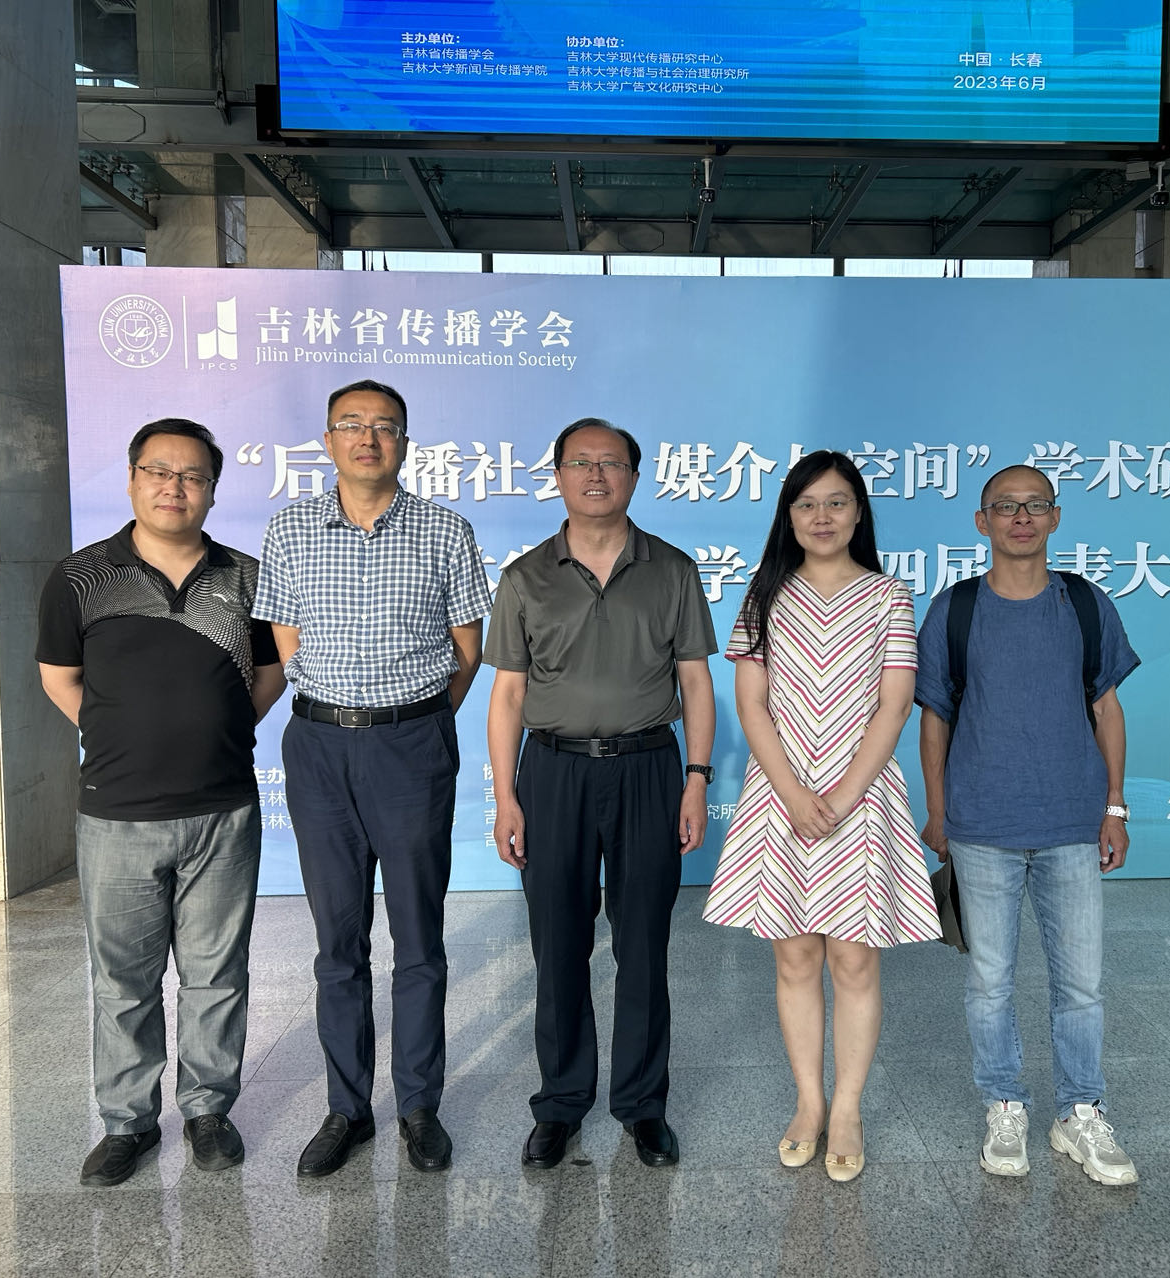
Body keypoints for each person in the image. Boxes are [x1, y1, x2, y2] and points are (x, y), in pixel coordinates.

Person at [37, 418, 287, 1187]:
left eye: (192, 476)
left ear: (212, 489)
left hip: (223, 811)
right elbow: (60, 677)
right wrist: (119, 737)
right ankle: (128, 1124)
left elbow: (271, 672)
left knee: (218, 973)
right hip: (117, 816)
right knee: (123, 981)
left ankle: (208, 1111)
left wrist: (220, 730)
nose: (174, 487)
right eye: (158, 471)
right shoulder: (81, 577)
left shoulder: (245, 577)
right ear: (131, 479)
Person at [253, 379, 492, 1177]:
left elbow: (467, 650)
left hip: (410, 746)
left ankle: (419, 1106)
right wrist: (342, 709)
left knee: (419, 939)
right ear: (327, 441)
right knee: (338, 943)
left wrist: (414, 722)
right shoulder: (290, 529)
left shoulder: (444, 529)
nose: (367, 438)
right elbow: (286, 639)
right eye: (351, 425)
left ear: (404, 443)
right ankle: (347, 1110)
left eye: (384, 426)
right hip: (319, 748)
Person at [484, 417, 717, 1170]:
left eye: (610, 463)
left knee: (644, 944)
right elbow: (508, 695)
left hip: (649, 768)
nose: (595, 475)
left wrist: (696, 779)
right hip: (552, 773)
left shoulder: (672, 569)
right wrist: (506, 797)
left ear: (634, 477)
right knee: (558, 944)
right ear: (557, 476)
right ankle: (560, 1104)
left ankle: (643, 1107)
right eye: (580, 462)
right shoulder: (525, 577)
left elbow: (695, 682)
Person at [702, 452, 940, 1183]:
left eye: (837, 503)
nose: (822, 517)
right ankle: (808, 1102)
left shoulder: (889, 596)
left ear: (859, 513)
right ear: (789, 516)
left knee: (854, 959)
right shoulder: (764, 595)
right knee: (795, 956)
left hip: (860, 800)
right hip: (781, 798)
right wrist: (795, 793)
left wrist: (839, 797)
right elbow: (752, 704)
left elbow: (894, 706)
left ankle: (849, 1108)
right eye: (807, 504)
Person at [915, 464, 1141, 1187]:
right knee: (990, 983)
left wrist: (1114, 806)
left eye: (1035, 505)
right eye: (1006, 507)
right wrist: (939, 811)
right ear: (981, 522)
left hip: (1073, 822)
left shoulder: (1085, 603)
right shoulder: (955, 610)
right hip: (982, 825)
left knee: (1082, 986)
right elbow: (934, 718)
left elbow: (1106, 708)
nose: (1021, 518)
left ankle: (1080, 1112)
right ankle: (1004, 1104)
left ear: (1056, 517)